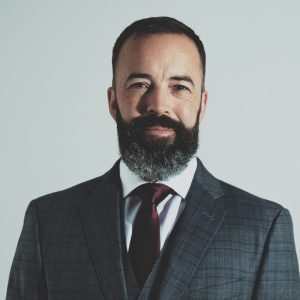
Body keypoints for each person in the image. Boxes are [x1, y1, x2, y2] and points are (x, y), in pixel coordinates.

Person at [6, 16, 300, 300]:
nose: (158, 105)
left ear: (202, 104)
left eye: (180, 87)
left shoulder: (264, 227)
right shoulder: (47, 221)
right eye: (139, 85)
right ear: (112, 102)